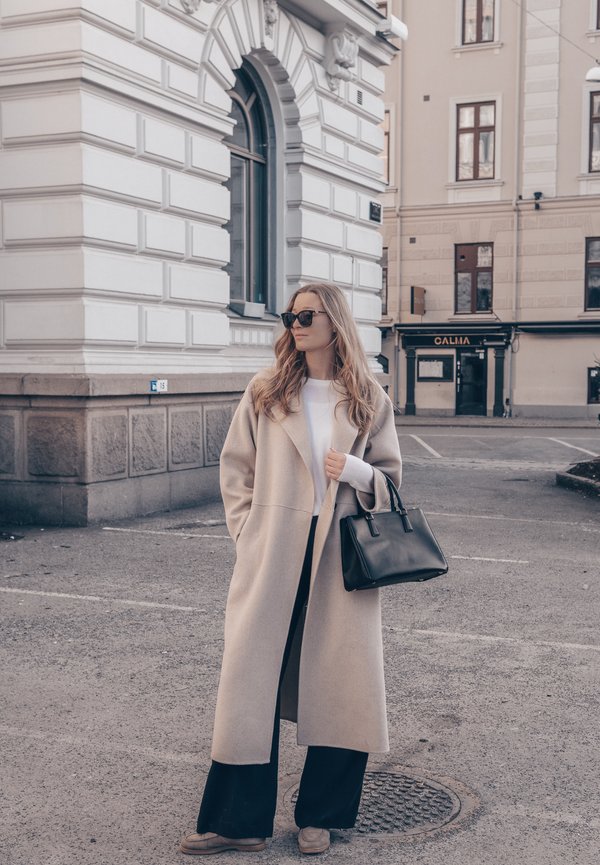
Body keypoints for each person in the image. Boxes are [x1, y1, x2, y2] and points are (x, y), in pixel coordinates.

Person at [180, 282, 402, 856]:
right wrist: (248, 533)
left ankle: (320, 818)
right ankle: (239, 822)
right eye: (290, 316)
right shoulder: (266, 390)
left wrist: (356, 471)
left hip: (339, 557)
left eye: (307, 315)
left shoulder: (368, 399)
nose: (295, 325)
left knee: (339, 686)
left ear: (335, 323)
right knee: (249, 686)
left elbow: (391, 484)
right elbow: (236, 471)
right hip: (274, 549)